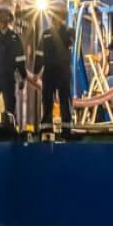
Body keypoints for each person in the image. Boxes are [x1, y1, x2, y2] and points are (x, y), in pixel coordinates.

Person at [35, 8, 75, 137]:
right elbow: (39, 53)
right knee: (47, 100)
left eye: (57, 15)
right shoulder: (46, 34)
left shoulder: (69, 32)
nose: (54, 18)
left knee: (65, 100)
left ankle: (67, 129)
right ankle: (46, 128)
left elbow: (70, 42)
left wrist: (61, 30)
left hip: (63, 71)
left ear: (62, 17)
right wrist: (36, 71)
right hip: (49, 71)